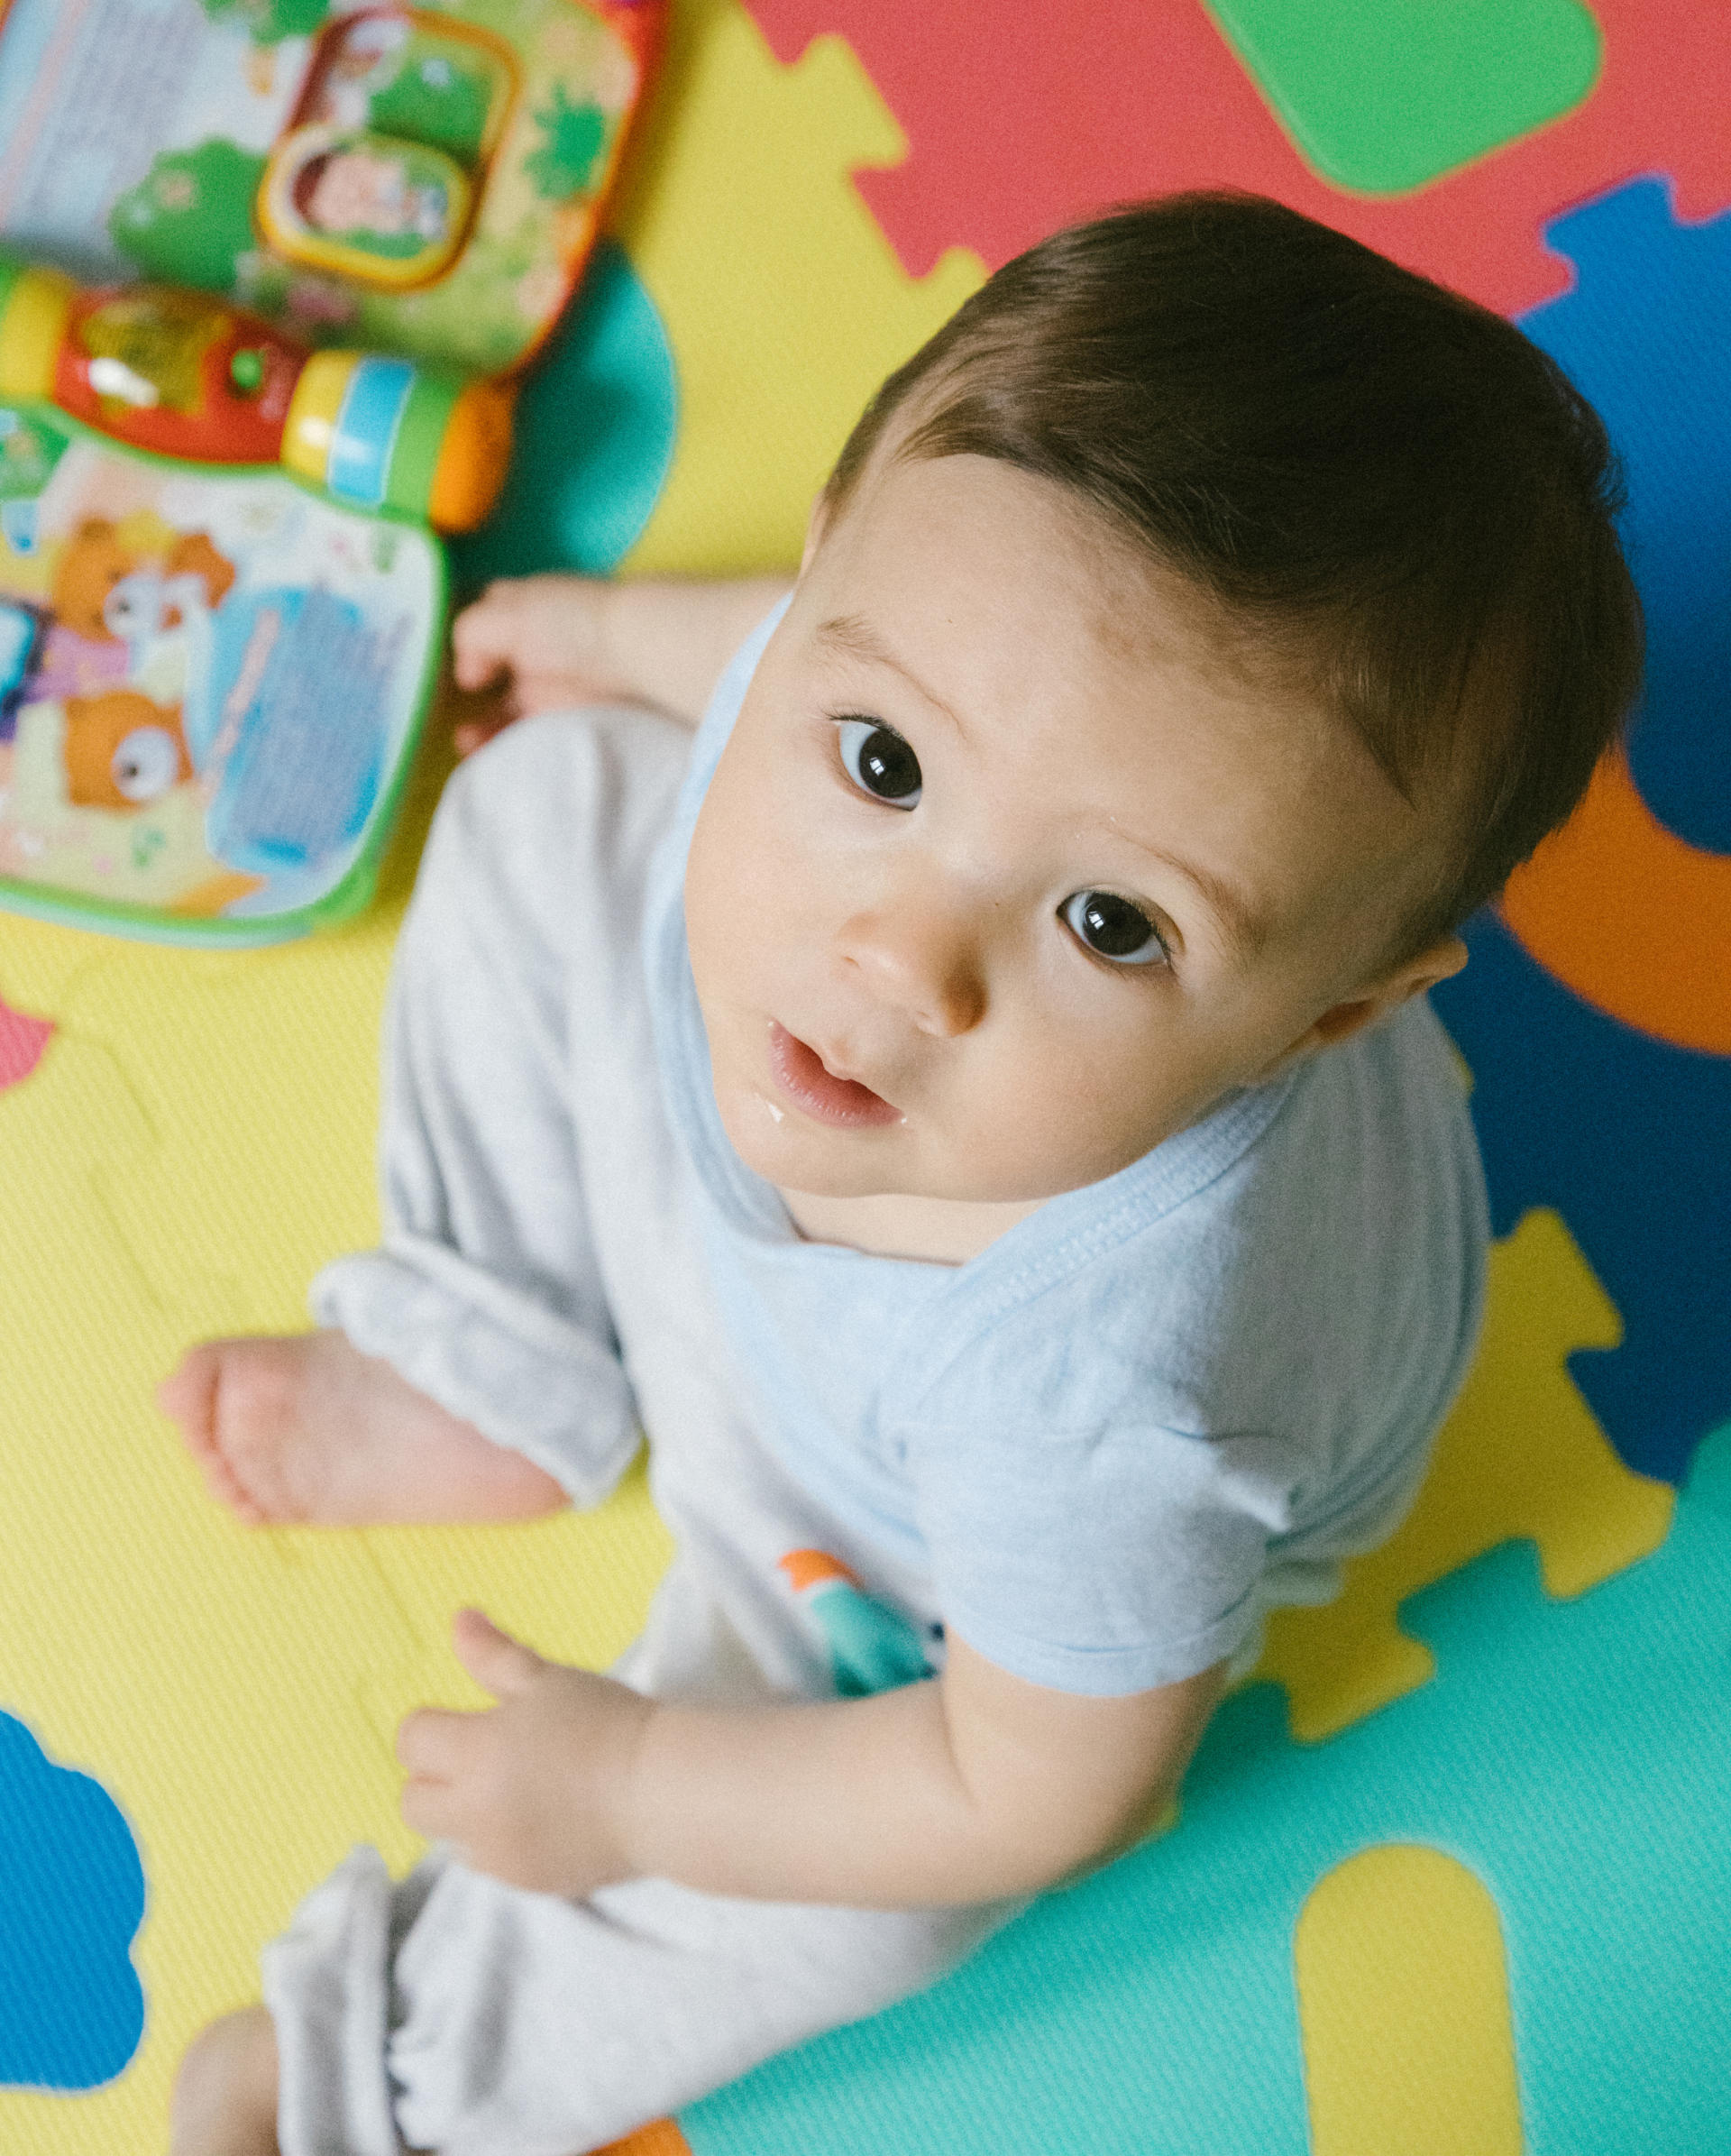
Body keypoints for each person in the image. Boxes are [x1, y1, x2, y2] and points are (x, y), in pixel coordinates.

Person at [159, 191, 1642, 2156]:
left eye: (1112, 924)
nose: (898, 957)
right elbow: (771, 649)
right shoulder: (947, 695)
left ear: (1335, 1012)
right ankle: (497, 1350)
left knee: (870, 1885)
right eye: (879, 765)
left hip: (889, 1539)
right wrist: (603, 639)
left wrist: (632, 1786)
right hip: (792, 1249)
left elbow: (1037, 1789)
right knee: (546, 799)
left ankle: (374, 2078)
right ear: (834, 563)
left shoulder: (1119, 1402)